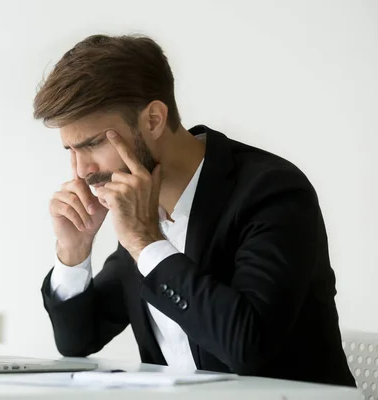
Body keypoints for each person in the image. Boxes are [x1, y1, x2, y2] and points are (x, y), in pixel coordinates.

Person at [32, 33, 355, 387]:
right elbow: (78, 341)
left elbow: (249, 347)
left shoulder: (272, 190)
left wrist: (145, 241)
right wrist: (73, 251)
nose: (81, 171)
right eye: (70, 150)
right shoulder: (142, 207)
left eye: (92, 144)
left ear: (153, 119)